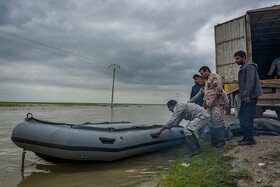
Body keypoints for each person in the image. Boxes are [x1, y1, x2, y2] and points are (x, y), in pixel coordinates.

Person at [234, 51, 263, 145]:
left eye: (237, 58)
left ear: (243, 57)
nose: (236, 61)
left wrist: (246, 95)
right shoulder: (244, 67)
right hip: (245, 96)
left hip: (250, 96)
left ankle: (250, 139)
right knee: (242, 116)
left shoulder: (249, 66)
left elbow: (250, 82)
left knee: (247, 117)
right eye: (235, 59)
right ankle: (247, 136)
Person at [199, 66, 226, 148]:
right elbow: (206, 93)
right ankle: (213, 141)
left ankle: (221, 141)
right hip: (209, 105)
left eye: (202, 73)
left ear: (207, 71)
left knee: (218, 121)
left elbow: (218, 90)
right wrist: (205, 103)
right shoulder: (207, 80)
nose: (202, 75)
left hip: (217, 104)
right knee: (210, 122)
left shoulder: (215, 77)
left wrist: (212, 101)